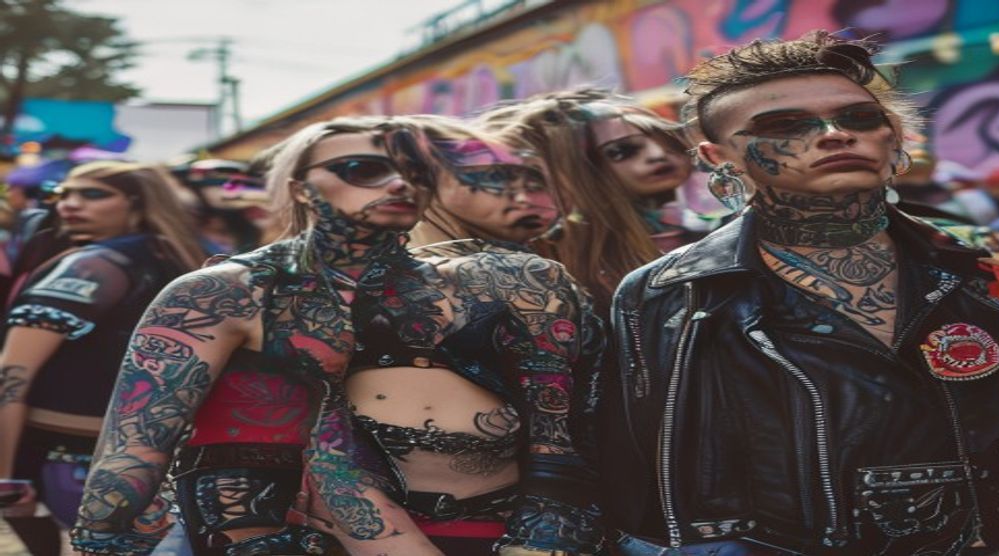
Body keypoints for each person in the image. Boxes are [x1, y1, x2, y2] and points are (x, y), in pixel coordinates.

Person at [603, 31, 999, 554]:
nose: (836, 134)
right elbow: (641, 476)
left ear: (893, 135)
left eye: (860, 118)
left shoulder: (981, 268)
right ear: (718, 156)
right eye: (784, 126)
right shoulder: (670, 294)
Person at [68, 117, 430, 555]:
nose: (398, 184)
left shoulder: (468, 293)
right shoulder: (227, 291)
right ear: (300, 188)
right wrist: (100, 539)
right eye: (362, 169)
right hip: (261, 534)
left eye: (417, 171)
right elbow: (136, 445)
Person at [330, 114, 604, 555]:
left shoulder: (524, 276)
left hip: (502, 533)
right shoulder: (323, 282)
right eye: (492, 176)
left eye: (530, 178)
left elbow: (559, 447)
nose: (519, 193)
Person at [0, 162, 205, 548]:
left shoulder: (94, 264)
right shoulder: (182, 257)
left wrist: (5, 477)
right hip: (145, 458)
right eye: (63, 194)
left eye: (93, 194)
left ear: (138, 201)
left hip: (72, 461)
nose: (70, 205)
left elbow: (12, 372)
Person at [476, 90, 705, 311]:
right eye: (621, 151)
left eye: (669, 141)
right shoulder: (565, 256)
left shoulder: (712, 221)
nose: (658, 154)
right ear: (578, 170)